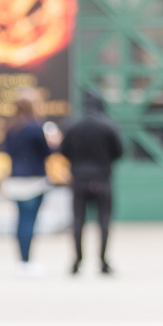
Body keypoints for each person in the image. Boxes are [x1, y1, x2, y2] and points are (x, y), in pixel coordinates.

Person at [59, 92, 123, 275]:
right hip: (102, 178)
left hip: (79, 178)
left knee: (78, 221)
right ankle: (103, 261)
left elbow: (63, 150)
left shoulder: (72, 124)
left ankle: (77, 260)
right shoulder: (108, 124)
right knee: (104, 221)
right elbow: (119, 151)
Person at [1, 91, 55, 273]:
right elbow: (46, 153)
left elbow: (8, 151)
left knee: (21, 219)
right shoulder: (34, 128)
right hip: (34, 180)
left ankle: (21, 259)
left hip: (16, 179)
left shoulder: (10, 128)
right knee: (29, 221)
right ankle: (26, 261)